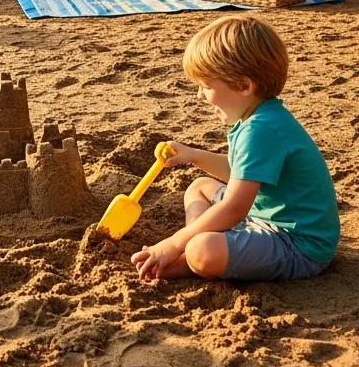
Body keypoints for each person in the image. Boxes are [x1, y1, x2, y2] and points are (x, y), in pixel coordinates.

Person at [131, 15, 339, 281]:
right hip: (262, 218)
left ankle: (186, 261)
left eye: (205, 86)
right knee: (199, 187)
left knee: (201, 249)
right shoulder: (258, 116)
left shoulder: (261, 129)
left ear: (243, 85)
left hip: (297, 244)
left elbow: (234, 207)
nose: (199, 95)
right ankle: (194, 249)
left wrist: (175, 242)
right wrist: (193, 156)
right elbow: (243, 173)